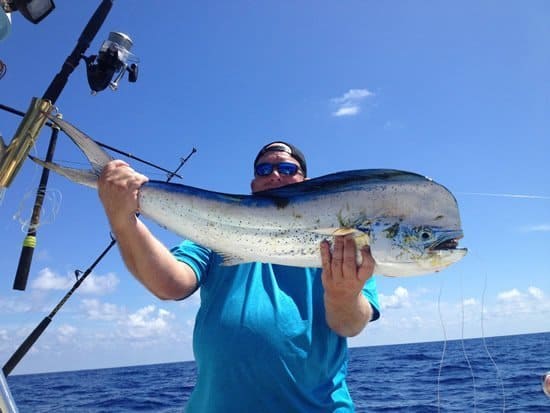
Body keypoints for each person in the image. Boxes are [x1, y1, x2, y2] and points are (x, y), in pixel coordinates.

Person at [97, 141, 381, 412]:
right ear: (253, 184)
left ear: (306, 181)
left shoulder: (345, 241)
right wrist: (123, 222)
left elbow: (349, 324)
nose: (274, 176)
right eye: (264, 170)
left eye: (286, 169)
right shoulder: (214, 232)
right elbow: (169, 283)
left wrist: (344, 294)